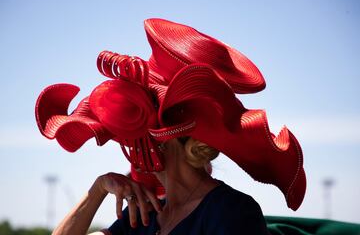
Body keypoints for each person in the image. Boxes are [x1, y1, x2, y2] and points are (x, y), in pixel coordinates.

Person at [35, 18, 306, 234]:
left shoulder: (232, 211)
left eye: (132, 139)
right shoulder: (145, 216)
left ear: (160, 141)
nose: (128, 147)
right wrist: (97, 189)